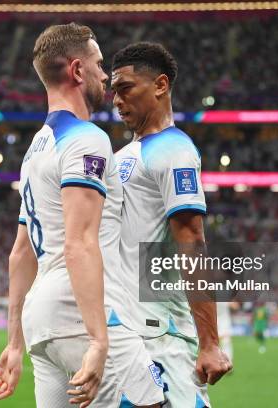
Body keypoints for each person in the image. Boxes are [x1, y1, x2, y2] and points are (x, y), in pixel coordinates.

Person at [0, 24, 164, 408]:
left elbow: (21, 253)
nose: (107, 77)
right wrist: (99, 339)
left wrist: (14, 342)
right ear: (78, 70)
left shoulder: (35, 149)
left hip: (41, 325)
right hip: (80, 316)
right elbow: (79, 242)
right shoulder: (87, 138)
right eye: (100, 65)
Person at [111, 42, 232, 407]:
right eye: (113, 91)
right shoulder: (121, 157)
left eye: (126, 89)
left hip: (163, 336)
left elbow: (192, 241)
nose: (116, 101)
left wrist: (210, 343)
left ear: (160, 85)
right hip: (130, 334)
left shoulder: (174, 151)